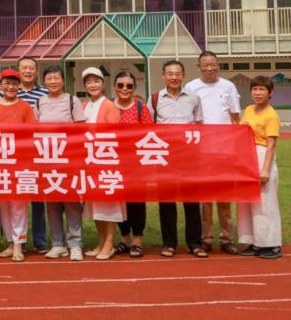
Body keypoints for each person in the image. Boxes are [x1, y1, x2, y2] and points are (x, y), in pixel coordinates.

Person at [185, 51, 241, 255]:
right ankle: (206, 238)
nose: (209, 68)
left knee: (225, 196)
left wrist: (235, 145)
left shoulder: (228, 86)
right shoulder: (191, 87)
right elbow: (188, 117)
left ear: (218, 65)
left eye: (213, 64)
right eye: (205, 65)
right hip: (202, 150)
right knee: (206, 198)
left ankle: (226, 238)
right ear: (199, 67)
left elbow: (235, 118)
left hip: (225, 150)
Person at [153, 60, 207, 258]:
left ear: (183, 76)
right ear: (163, 76)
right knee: (166, 202)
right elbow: (149, 127)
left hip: (189, 157)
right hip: (165, 157)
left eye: (177, 74)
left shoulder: (193, 97)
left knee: (192, 201)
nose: (174, 77)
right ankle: (169, 243)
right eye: (170, 74)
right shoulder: (155, 99)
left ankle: (195, 243)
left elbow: (199, 124)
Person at [37, 65, 87, 261]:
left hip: (69, 160)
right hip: (47, 160)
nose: (53, 82)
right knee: (52, 205)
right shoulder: (40, 102)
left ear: (63, 80)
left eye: (56, 78)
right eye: (49, 78)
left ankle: (75, 245)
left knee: (72, 203)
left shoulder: (72, 101)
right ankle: (58, 244)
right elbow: (34, 131)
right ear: (44, 81)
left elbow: (81, 130)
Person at [0, 68, 36, 262]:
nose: (10, 87)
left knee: (18, 206)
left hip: (19, 164)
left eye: (14, 84)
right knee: (4, 206)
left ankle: (18, 244)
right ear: (1, 85)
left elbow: (32, 134)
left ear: (19, 87)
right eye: (7, 83)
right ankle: (9, 242)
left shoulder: (25, 107)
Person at [80, 67, 125, 260]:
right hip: (89, 162)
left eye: (96, 81)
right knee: (95, 205)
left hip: (107, 163)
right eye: (89, 82)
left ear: (103, 84)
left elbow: (114, 135)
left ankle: (109, 243)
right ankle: (100, 241)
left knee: (109, 204)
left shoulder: (109, 105)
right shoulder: (83, 106)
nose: (93, 85)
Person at [236, 75, 282, 259]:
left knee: (264, 202)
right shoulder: (248, 110)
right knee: (245, 202)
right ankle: (254, 241)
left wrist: (265, 169)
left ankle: (271, 243)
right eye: (255, 89)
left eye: (262, 89)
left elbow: (271, 145)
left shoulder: (271, 115)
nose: (257, 93)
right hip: (246, 156)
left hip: (262, 155)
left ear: (270, 93)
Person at [11, 56, 50, 254]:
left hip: (37, 151)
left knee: (38, 198)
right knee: (15, 199)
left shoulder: (45, 93)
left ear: (36, 71)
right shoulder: (9, 91)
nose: (27, 71)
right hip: (14, 153)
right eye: (24, 68)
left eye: (31, 68)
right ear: (18, 70)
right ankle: (18, 239)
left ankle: (40, 240)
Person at [112, 70, 151, 258]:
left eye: (129, 85)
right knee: (119, 201)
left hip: (136, 164)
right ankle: (125, 238)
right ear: (115, 87)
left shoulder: (141, 108)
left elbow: (150, 134)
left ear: (134, 87)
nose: (124, 89)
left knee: (136, 202)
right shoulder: (108, 106)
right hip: (113, 162)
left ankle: (137, 239)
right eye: (120, 85)